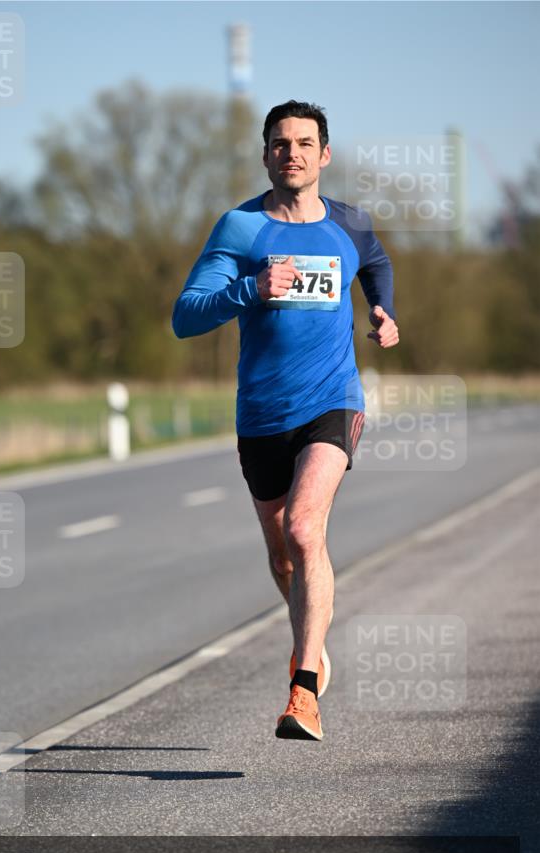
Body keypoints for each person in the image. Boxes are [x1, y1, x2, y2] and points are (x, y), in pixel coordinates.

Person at [172, 101, 399, 741]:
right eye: (279, 143)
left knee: (305, 529)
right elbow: (185, 316)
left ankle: (302, 692)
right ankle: (314, 642)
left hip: (333, 401)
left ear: (324, 154)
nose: (292, 153)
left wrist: (382, 311)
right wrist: (250, 289)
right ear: (266, 154)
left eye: (304, 142)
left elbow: (376, 263)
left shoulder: (349, 224)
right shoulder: (242, 230)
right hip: (261, 415)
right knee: (283, 557)